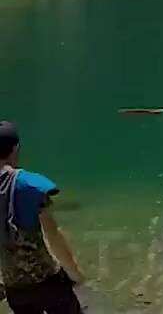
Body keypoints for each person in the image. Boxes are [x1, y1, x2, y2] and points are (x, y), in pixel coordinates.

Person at [0, 122, 84, 314]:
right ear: (16, 148)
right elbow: (54, 236)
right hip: (48, 281)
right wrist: (75, 273)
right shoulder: (30, 185)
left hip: (15, 289)